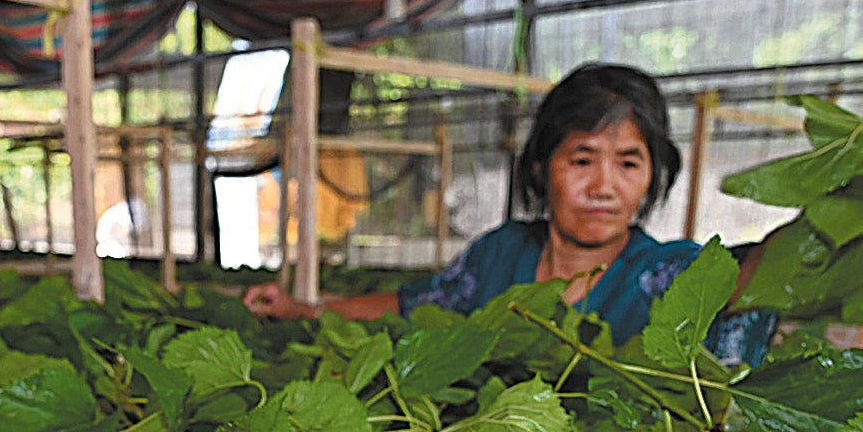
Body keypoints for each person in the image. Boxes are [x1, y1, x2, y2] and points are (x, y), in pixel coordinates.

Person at [244, 64, 781, 364]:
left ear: (652, 176)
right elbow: (411, 306)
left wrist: (851, 205)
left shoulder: (666, 276)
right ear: (544, 166)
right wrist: (305, 309)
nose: (603, 187)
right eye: (581, 159)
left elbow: (761, 273)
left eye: (628, 162)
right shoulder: (500, 256)